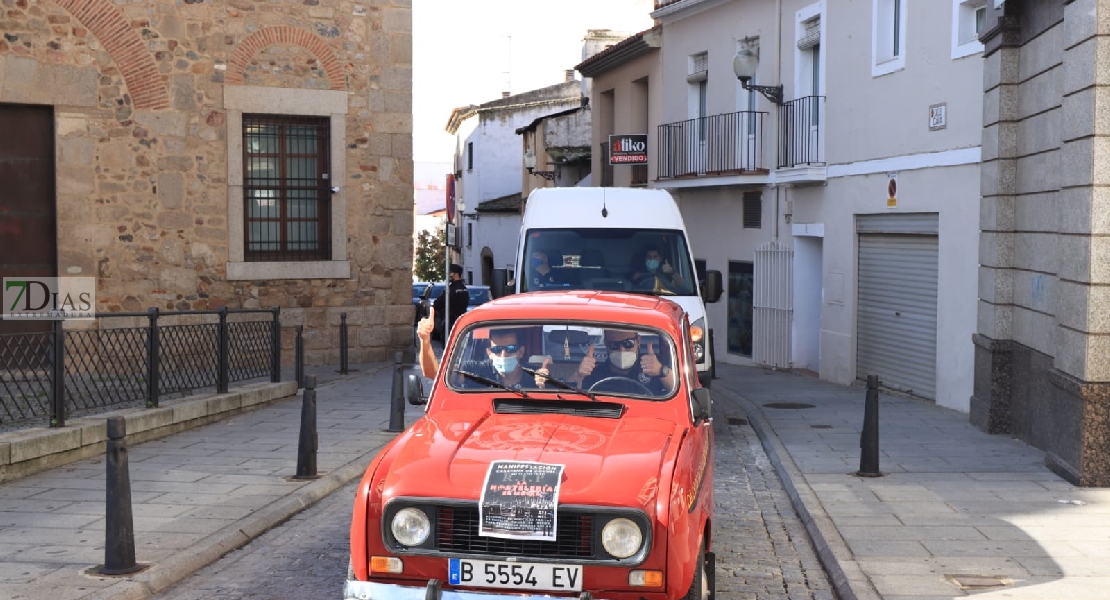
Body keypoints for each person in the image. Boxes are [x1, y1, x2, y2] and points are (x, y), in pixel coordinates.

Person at [415, 318, 551, 390]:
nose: (503, 355)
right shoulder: (475, 370)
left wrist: (545, 386)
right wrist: (425, 340)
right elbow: (434, 374)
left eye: (510, 348)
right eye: (497, 350)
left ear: (521, 352)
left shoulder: (535, 376)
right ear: (489, 353)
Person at [574, 329, 676, 395]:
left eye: (628, 343)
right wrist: (579, 375)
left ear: (638, 341)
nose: (622, 350)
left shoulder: (654, 365)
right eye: (614, 345)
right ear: (606, 344)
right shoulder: (596, 373)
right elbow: (575, 400)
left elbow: (681, 394)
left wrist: (662, 371)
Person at [433, 263, 469, 339]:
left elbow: (439, 302)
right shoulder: (464, 288)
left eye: (451, 273)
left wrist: (435, 307)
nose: (449, 275)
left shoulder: (451, 289)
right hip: (461, 320)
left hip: (450, 321)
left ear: (456, 274)